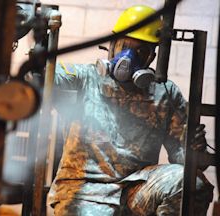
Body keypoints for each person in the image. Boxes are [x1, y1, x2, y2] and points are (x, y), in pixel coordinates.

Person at [47, 5, 214, 216]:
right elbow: (44, 77)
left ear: (152, 57)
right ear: (112, 46)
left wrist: (196, 152)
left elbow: (186, 162)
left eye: (140, 51)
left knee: (193, 184)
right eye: (124, 46)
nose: (128, 57)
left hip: (136, 188)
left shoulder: (165, 93)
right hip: (84, 191)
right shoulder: (85, 78)